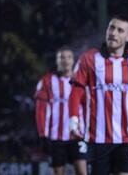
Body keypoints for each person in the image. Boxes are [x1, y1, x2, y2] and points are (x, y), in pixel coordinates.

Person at [69, 15, 128, 175]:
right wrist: (73, 120)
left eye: (120, 30)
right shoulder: (88, 59)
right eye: (111, 28)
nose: (113, 33)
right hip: (96, 139)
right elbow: (76, 92)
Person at [35, 47, 87, 175]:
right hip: (55, 137)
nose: (65, 61)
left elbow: (87, 107)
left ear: (73, 60)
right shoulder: (47, 81)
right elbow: (40, 111)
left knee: (82, 171)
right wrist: (42, 135)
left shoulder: (81, 81)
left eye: (68, 57)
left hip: (77, 136)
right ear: (57, 61)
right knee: (58, 172)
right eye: (61, 57)